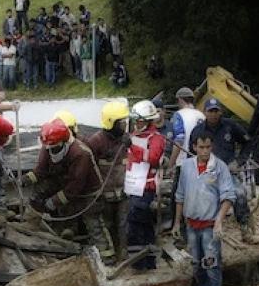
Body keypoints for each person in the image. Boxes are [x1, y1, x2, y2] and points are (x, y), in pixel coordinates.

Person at [22, 119, 116, 264]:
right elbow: (41, 171)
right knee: (55, 209)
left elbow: (75, 186)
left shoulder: (80, 153)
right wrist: (26, 179)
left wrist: (52, 203)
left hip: (88, 194)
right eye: (48, 148)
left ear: (65, 142)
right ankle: (49, 235)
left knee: (94, 226)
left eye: (54, 148)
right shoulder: (49, 146)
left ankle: (107, 257)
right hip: (66, 186)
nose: (51, 151)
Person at [172, 131, 238, 286]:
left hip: (209, 224)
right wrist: (177, 223)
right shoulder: (186, 167)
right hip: (192, 223)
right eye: (201, 147)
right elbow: (180, 195)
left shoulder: (220, 167)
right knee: (196, 261)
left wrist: (219, 221)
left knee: (211, 261)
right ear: (194, 147)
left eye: (208, 147)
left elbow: (228, 196)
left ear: (212, 147)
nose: (205, 151)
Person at [188, 97, 257, 244]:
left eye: (216, 111)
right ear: (204, 112)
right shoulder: (197, 131)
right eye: (210, 111)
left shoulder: (230, 126)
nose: (213, 114)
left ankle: (245, 230)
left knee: (240, 194)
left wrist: (238, 161)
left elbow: (248, 142)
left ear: (220, 112)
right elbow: (191, 152)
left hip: (227, 173)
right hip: (205, 175)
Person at [125, 100, 166, 271]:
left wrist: (133, 147)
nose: (136, 123)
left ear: (148, 121)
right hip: (133, 185)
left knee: (135, 220)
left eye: (139, 120)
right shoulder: (134, 135)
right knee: (144, 222)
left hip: (146, 186)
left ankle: (139, 261)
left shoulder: (156, 138)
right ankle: (147, 260)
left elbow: (153, 157)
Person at [87, 101, 130, 260]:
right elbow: (90, 167)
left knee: (124, 225)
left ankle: (124, 255)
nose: (125, 124)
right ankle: (110, 257)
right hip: (105, 196)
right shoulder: (96, 141)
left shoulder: (125, 140)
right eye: (122, 122)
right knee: (108, 226)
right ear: (112, 123)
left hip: (123, 193)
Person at [167, 87, 205, 195]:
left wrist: (171, 164)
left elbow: (179, 141)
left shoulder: (179, 115)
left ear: (181, 100)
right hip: (201, 160)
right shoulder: (201, 115)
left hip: (184, 161)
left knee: (178, 195)